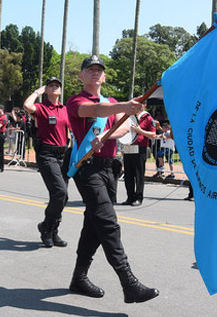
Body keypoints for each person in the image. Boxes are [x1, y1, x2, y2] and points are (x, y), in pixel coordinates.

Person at [65, 55, 159, 303]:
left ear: (104, 77)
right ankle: (129, 283)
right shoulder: (76, 100)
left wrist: (107, 132)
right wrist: (124, 108)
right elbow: (93, 111)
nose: (95, 73)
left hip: (109, 168)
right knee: (108, 223)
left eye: (99, 70)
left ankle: (79, 278)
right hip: (88, 168)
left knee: (94, 226)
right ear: (81, 76)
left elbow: (125, 128)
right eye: (90, 69)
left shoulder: (112, 102)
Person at [24, 76, 71, 248]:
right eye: (50, 85)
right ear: (46, 89)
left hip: (63, 155)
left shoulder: (65, 109)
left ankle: (52, 230)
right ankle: (46, 228)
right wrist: (38, 92)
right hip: (47, 155)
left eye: (57, 85)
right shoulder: (41, 108)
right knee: (60, 192)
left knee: (62, 196)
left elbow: (70, 129)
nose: (54, 88)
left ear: (60, 90)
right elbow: (27, 106)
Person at [122, 104, 157, 206]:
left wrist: (140, 131)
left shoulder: (148, 118)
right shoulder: (129, 116)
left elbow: (153, 135)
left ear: (144, 105)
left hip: (140, 148)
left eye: (140, 104)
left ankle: (138, 197)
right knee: (128, 175)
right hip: (128, 147)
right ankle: (130, 196)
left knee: (138, 175)